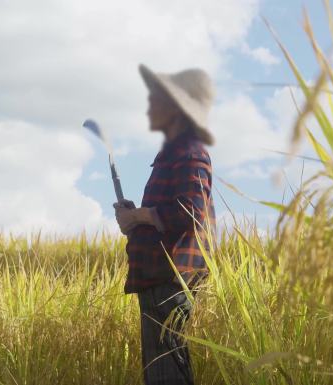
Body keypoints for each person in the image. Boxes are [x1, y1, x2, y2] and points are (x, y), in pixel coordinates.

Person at [113, 63, 216, 385]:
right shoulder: (174, 154)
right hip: (162, 276)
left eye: (156, 99)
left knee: (165, 373)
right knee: (162, 370)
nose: (149, 107)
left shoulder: (188, 153)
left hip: (172, 278)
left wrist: (140, 216)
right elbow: (171, 214)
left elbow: (190, 213)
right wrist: (136, 218)